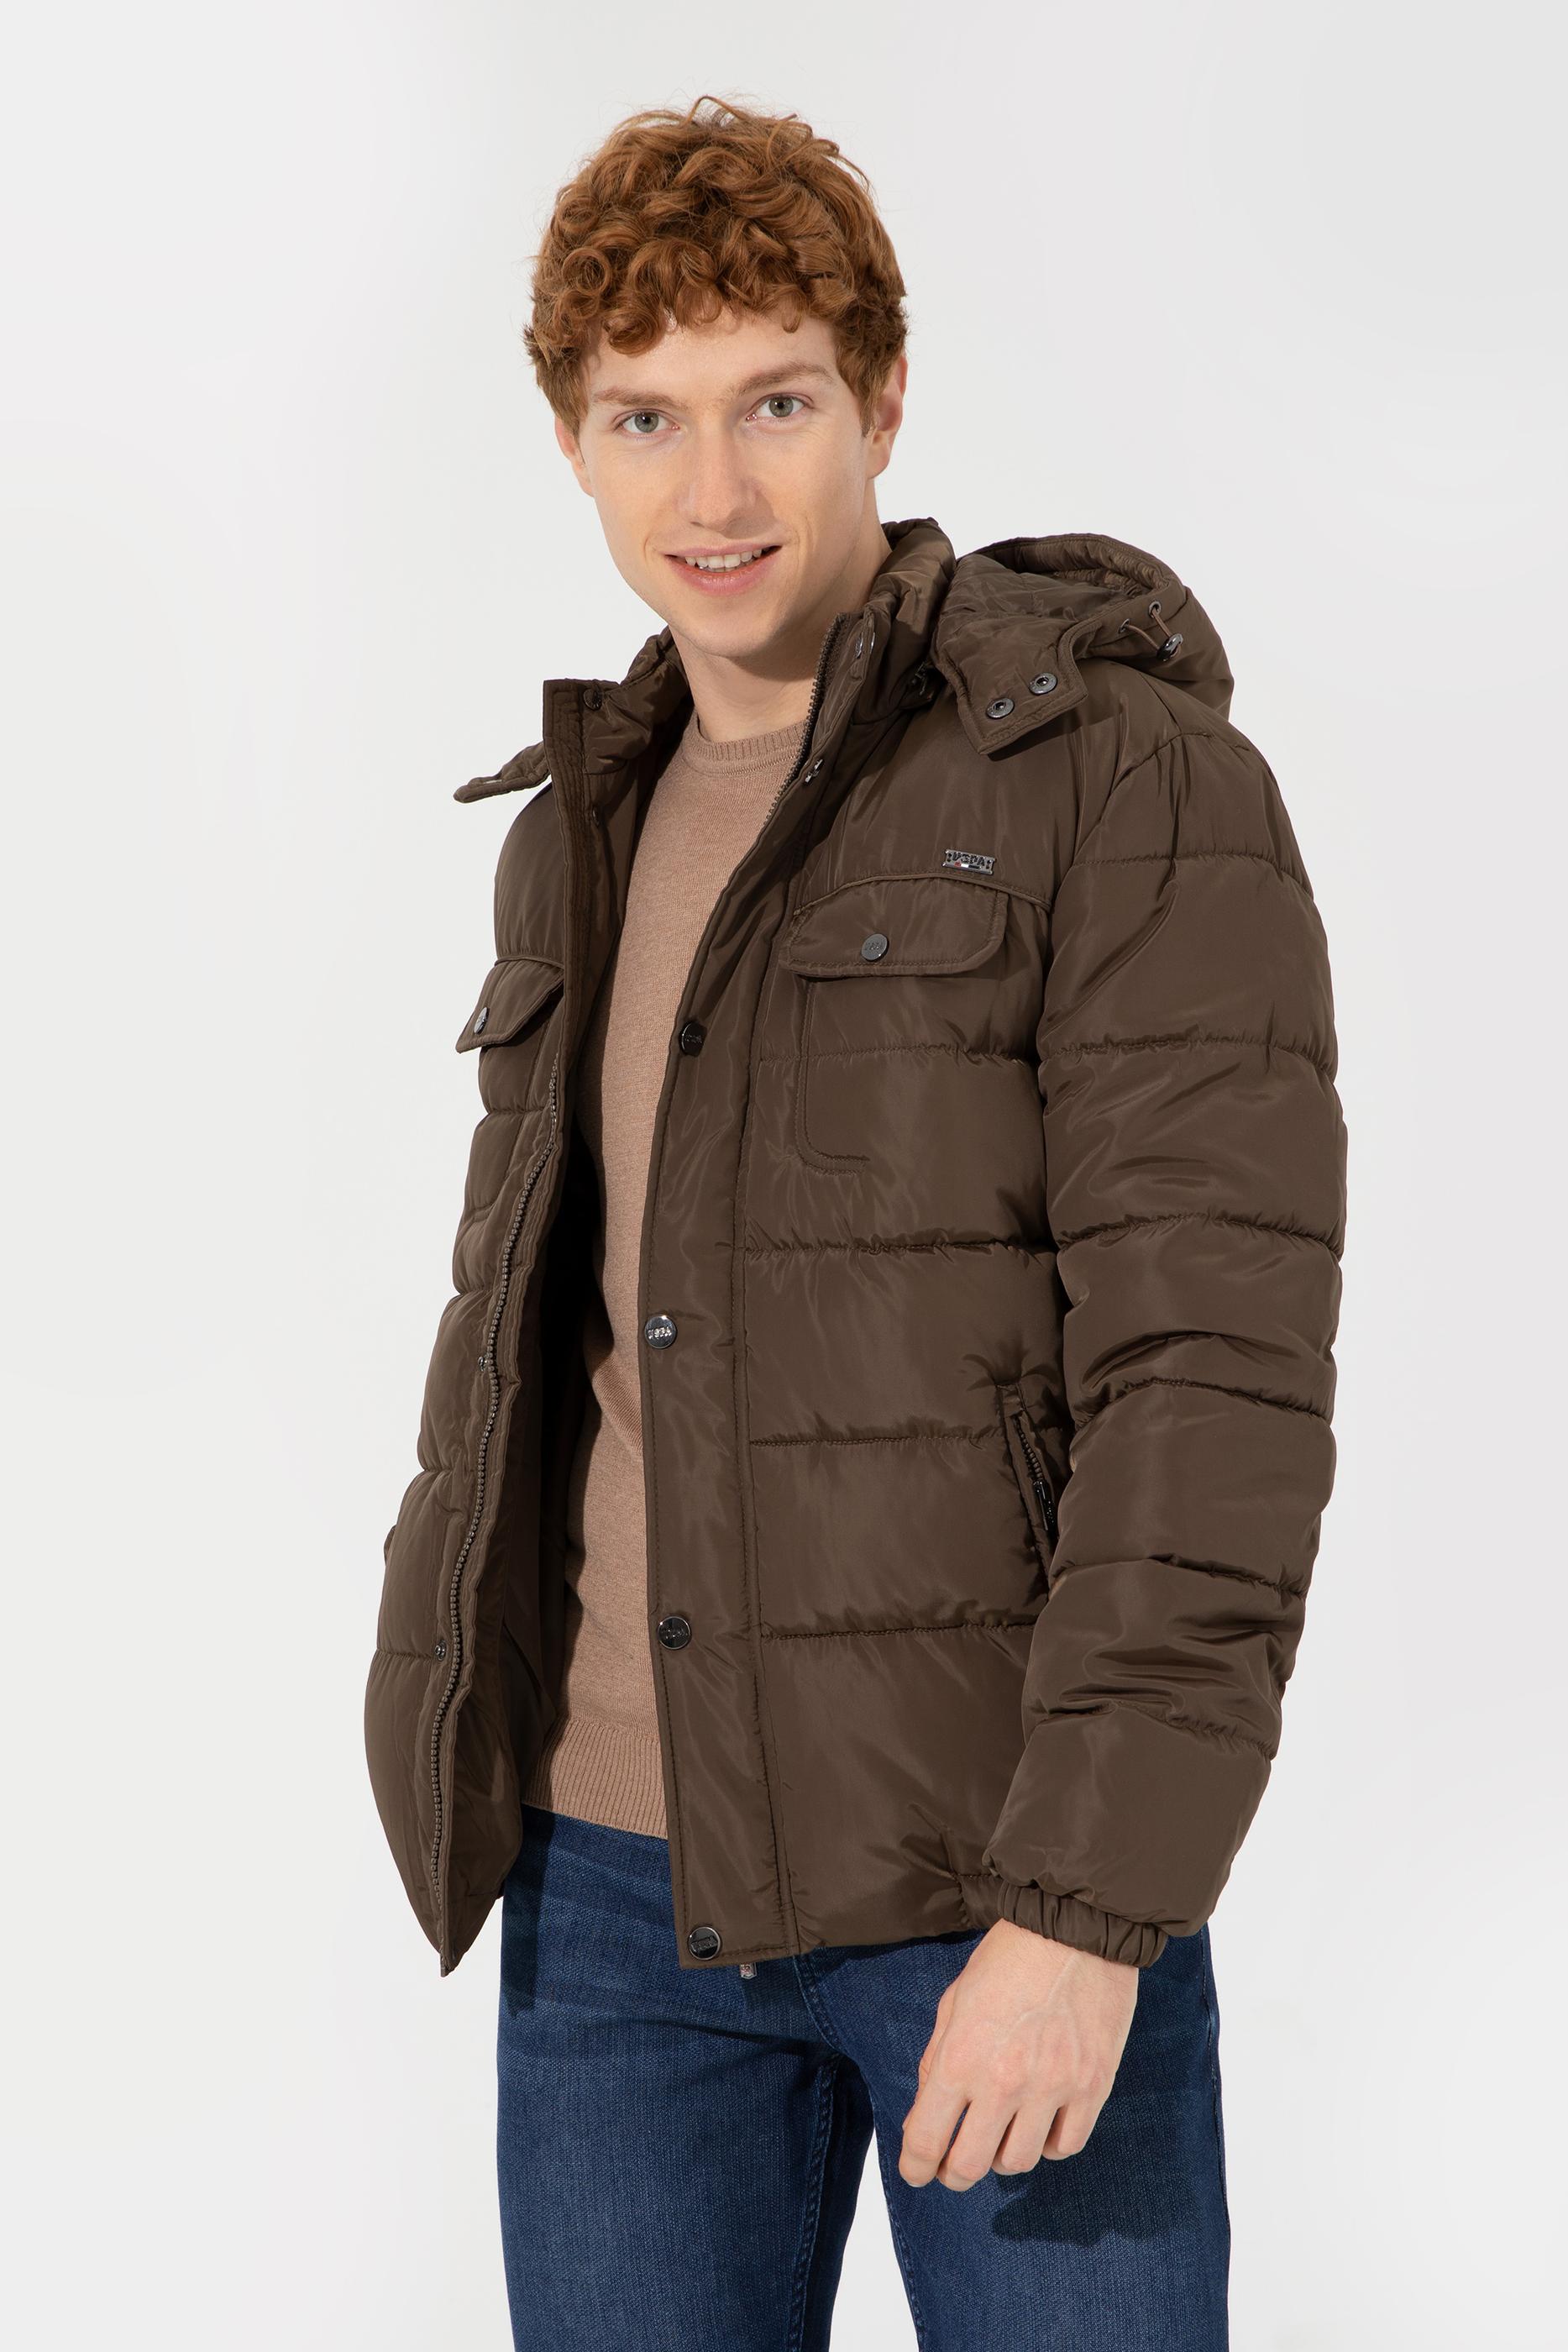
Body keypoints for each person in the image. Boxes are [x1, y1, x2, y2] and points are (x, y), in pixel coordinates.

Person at [364, 92, 1346, 2351]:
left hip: (990, 1891)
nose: (713, 490)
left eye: (776, 402)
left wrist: (1087, 1908)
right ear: (573, 443)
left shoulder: (1117, 781)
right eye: (648, 417)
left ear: (884, 401)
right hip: (611, 1906)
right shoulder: (580, 821)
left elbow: (1213, 1381)